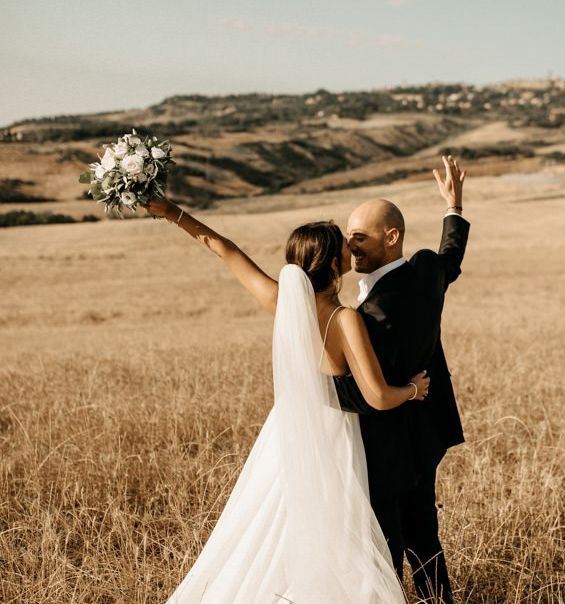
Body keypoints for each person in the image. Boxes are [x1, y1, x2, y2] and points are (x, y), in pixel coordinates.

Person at [144, 194, 432, 602]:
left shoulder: (282, 302)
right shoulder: (344, 318)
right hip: (331, 437)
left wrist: (173, 213)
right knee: (336, 534)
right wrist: (414, 390)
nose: (352, 250)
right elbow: (379, 397)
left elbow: (224, 249)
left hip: (285, 433)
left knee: (276, 527)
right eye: (344, 247)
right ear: (334, 265)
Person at [333, 155, 470, 603]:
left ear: (391, 238)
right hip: (424, 437)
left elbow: (361, 393)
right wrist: (454, 207)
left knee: (386, 547)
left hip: (383, 444)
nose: (350, 245)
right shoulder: (426, 271)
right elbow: (450, 258)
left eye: (359, 238)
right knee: (424, 538)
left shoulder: (371, 315)